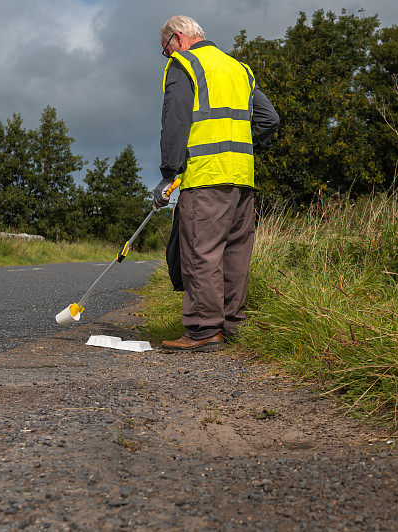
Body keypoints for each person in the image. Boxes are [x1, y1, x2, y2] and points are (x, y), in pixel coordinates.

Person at [153, 15, 279, 352]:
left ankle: (204, 329)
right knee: (236, 252)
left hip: (206, 176)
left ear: (177, 38)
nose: (168, 56)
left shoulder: (185, 64)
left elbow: (176, 122)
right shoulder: (239, 68)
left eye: (167, 49)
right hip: (242, 177)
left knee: (201, 252)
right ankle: (231, 326)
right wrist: (241, 144)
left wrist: (169, 172)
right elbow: (269, 119)